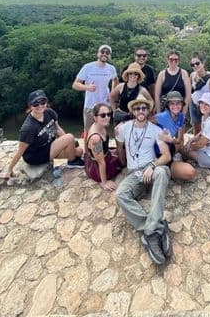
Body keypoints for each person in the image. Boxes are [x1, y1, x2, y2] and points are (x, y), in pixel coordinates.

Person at [115, 94, 172, 265]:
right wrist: (123, 165)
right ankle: (154, 229)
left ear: (148, 111)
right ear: (133, 110)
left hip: (150, 168)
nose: (141, 111)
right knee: (120, 195)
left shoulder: (155, 130)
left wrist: (153, 166)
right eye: (137, 108)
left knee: (162, 172)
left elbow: (166, 155)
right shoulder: (123, 128)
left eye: (144, 108)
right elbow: (119, 147)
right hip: (134, 173)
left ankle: (150, 229)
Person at [1, 90, 84, 178]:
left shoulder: (49, 112)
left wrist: (71, 145)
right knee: (70, 137)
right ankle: (72, 162)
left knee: (79, 151)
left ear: (46, 102)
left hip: (48, 146)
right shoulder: (28, 128)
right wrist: (9, 169)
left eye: (42, 102)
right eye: (36, 104)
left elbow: (58, 129)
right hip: (35, 155)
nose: (40, 106)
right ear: (30, 106)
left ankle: (72, 160)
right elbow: (20, 151)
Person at [72, 44, 118, 135]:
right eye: (102, 52)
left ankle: (101, 149)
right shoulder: (88, 67)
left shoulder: (111, 68)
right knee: (88, 131)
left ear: (109, 55)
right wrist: (87, 87)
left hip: (105, 105)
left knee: (102, 130)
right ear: (98, 53)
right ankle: (86, 149)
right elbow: (75, 84)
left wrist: (112, 93)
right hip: (90, 105)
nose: (104, 54)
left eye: (107, 53)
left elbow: (115, 80)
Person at [154, 91, 197, 181]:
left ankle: (172, 167)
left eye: (178, 103)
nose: (175, 106)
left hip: (170, 150)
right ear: (168, 105)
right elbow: (142, 121)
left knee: (191, 173)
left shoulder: (181, 116)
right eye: (172, 103)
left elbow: (179, 140)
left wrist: (170, 140)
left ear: (182, 104)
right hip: (157, 154)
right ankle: (164, 169)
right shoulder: (160, 117)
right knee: (189, 172)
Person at [183, 92, 210, 169]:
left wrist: (189, 147)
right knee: (188, 147)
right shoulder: (205, 117)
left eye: (207, 104)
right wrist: (191, 141)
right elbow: (201, 133)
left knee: (183, 150)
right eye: (202, 103)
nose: (203, 106)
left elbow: (201, 144)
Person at [84, 103, 122, 190]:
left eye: (109, 114)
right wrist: (104, 182)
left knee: (122, 151)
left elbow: (103, 147)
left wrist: (110, 151)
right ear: (95, 117)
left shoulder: (101, 126)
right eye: (103, 115)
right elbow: (100, 162)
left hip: (104, 156)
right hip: (97, 167)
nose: (107, 117)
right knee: (121, 162)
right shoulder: (95, 138)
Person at [189, 53, 210, 135]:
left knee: (206, 128)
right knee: (196, 127)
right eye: (192, 64)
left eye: (197, 63)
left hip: (205, 107)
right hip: (194, 105)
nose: (195, 66)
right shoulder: (192, 75)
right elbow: (191, 90)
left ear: (203, 63)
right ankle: (197, 146)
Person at [154, 50, 191, 114]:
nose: (173, 62)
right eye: (171, 59)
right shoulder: (162, 74)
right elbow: (157, 95)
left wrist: (184, 112)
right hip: (165, 109)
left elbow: (188, 95)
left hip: (180, 108)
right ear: (167, 60)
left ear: (179, 61)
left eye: (176, 60)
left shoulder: (184, 73)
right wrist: (158, 112)